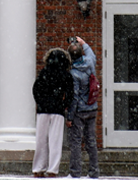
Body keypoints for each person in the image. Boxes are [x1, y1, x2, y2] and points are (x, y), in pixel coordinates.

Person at [32, 47, 74, 177]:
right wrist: (64, 104)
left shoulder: (44, 72)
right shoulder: (66, 75)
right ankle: (52, 169)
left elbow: (36, 89)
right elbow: (70, 94)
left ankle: (39, 168)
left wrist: (41, 102)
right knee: (55, 140)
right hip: (57, 110)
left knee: (41, 139)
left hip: (43, 110)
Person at [65, 35, 99, 178]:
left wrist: (70, 116)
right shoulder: (90, 63)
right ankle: (94, 171)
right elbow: (91, 54)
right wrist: (83, 43)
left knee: (76, 142)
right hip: (92, 108)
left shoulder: (73, 73)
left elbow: (75, 97)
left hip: (79, 111)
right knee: (91, 141)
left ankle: (75, 172)